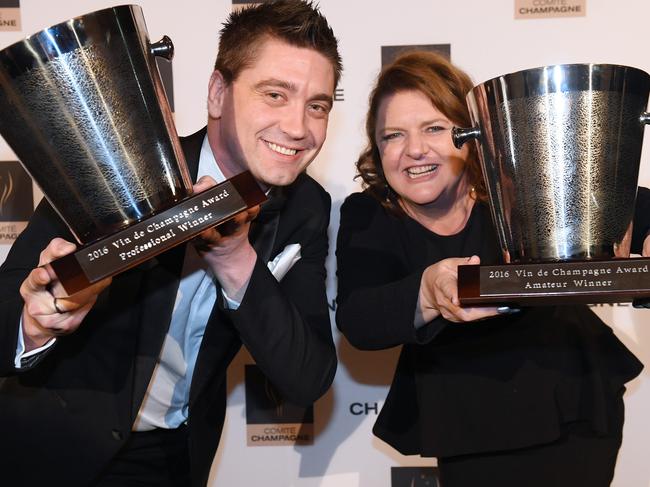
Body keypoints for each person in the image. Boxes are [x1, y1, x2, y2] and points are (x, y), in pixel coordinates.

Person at [0, 1, 341, 486]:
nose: (298, 127)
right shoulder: (116, 164)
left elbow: (307, 376)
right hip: (52, 448)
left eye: (318, 106)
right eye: (274, 94)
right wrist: (37, 322)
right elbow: (5, 311)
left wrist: (236, 258)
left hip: (173, 455)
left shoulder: (306, 206)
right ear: (218, 93)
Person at [335, 51, 650, 487]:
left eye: (434, 128)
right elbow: (360, 319)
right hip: (469, 423)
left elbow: (622, 201)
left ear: (473, 134)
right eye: (392, 136)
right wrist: (427, 291)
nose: (414, 150)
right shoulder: (370, 214)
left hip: (574, 401)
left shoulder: (519, 181)